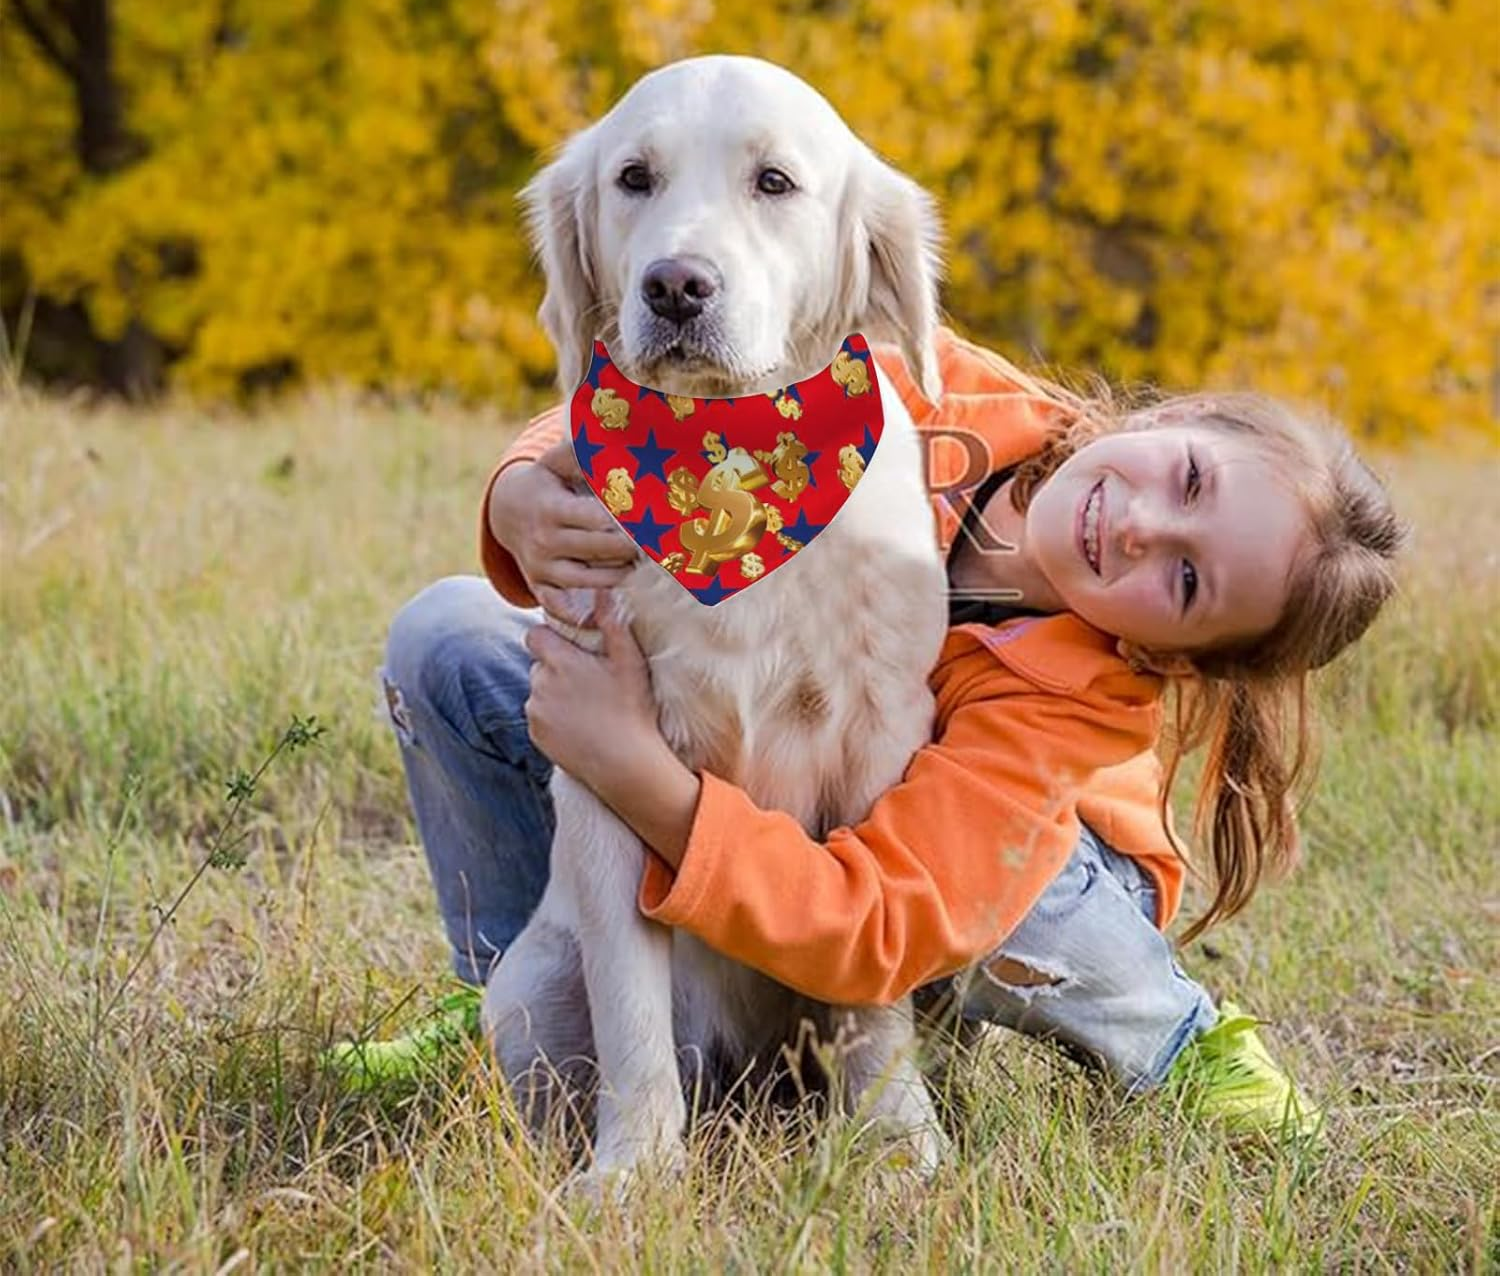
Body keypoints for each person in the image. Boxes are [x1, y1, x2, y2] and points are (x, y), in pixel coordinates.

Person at [331, 330, 1404, 1140]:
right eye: (1190, 479)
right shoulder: (930, 389)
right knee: (452, 638)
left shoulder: (1073, 702)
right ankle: (513, 986)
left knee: (1017, 887)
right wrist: (528, 487)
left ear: (1175, 658)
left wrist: (632, 768)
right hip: (768, 772)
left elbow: (886, 922)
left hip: (959, 894)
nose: (1138, 525)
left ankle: (1177, 1034)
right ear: (1184, 415)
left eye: (1185, 578)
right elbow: (679, 399)